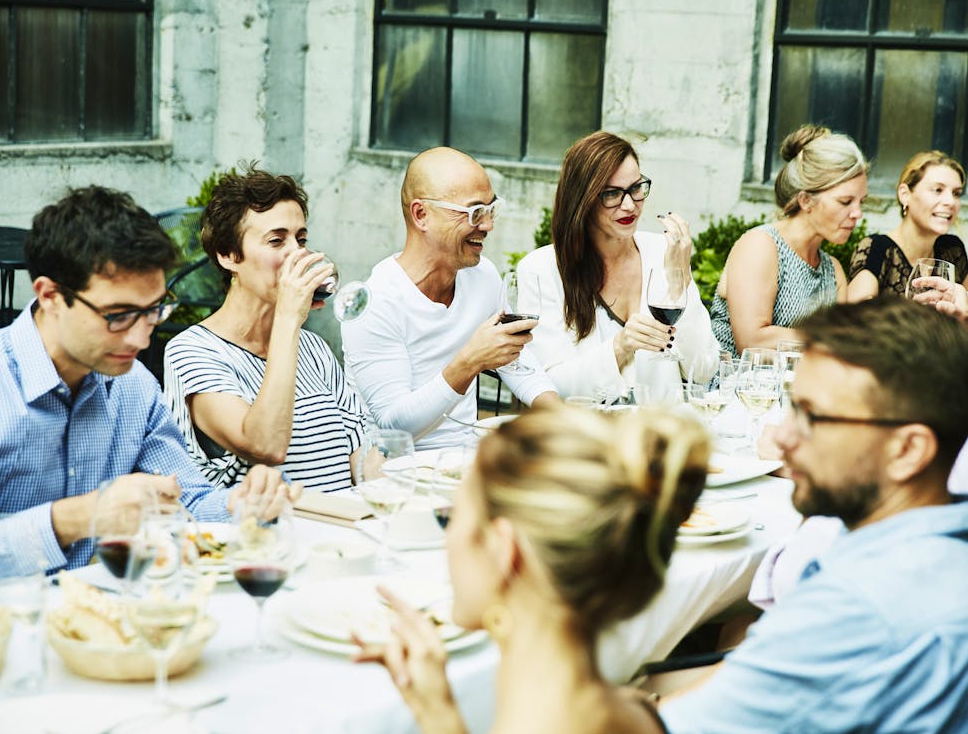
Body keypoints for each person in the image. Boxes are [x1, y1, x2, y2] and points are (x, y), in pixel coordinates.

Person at [661, 296, 968, 733]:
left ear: (908, 450)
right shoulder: (938, 544)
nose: (782, 436)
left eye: (812, 417)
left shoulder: (859, 606)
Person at [0, 186, 292, 585]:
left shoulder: (133, 385)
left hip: (109, 622)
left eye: (154, 310)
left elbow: (187, 501)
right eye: (119, 315)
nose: (142, 340)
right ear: (51, 295)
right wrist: (74, 518)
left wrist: (246, 503)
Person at [354, 406, 710, 734]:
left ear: (503, 548)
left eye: (454, 518)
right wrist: (439, 714)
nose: (449, 541)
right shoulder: (631, 710)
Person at [340, 147, 559, 450]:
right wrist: (469, 362)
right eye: (474, 213)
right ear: (422, 215)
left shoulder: (482, 275)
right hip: (395, 477)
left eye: (491, 210)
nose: (488, 225)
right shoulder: (376, 302)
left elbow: (514, 359)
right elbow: (393, 429)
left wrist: (561, 413)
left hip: (465, 467)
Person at [163, 167, 364, 492]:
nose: (297, 254)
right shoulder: (192, 351)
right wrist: (287, 319)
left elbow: (360, 451)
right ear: (228, 255)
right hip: (268, 537)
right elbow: (266, 444)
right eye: (276, 240)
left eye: (300, 239)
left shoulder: (313, 348)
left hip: (342, 534)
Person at [516, 131, 718, 399]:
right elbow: (551, 389)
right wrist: (620, 346)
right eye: (611, 193)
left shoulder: (663, 252)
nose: (629, 205)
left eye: (636, 188)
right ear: (582, 199)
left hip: (659, 433)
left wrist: (679, 280)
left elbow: (703, 370)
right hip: (587, 434)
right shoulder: (541, 269)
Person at [710, 124, 868, 355]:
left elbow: (841, 349)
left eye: (861, 202)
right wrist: (828, 336)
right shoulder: (761, 246)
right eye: (845, 202)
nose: (857, 213)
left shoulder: (833, 271)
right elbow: (752, 341)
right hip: (734, 387)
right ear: (805, 201)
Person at [848, 150, 967, 301]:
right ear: (905, 194)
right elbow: (853, 319)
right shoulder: (876, 249)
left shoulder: (952, 249)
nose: (950, 202)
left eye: (956, 193)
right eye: (938, 190)